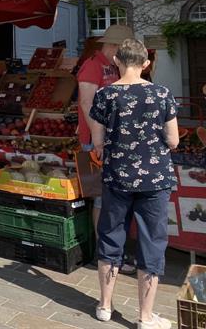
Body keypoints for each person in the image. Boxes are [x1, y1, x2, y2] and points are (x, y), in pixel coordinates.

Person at [88, 39, 178, 329]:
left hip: (117, 177)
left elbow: (98, 142)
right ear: (146, 63)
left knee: (111, 237)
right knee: (152, 243)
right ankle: (145, 316)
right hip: (155, 179)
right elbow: (174, 140)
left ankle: (104, 305)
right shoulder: (162, 93)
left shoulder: (105, 95)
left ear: (117, 61)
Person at [77, 23, 137, 274]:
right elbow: (86, 102)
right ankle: (107, 254)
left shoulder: (114, 65)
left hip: (116, 141)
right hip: (98, 141)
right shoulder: (92, 65)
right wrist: (97, 138)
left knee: (115, 197)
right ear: (114, 46)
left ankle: (114, 249)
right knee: (103, 197)